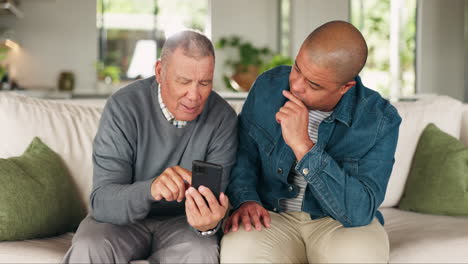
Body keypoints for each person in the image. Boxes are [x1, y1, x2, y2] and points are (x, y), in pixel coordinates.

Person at [221, 20, 401, 263]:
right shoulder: (267, 86)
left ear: (345, 87)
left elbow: (359, 211)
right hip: (273, 216)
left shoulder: (381, 120)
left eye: (313, 84)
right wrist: (246, 199)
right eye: (297, 68)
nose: (295, 86)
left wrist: (304, 147)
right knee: (240, 252)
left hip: (338, 224)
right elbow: (243, 154)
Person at [62, 30, 238, 263]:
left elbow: (215, 203)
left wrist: (209, 223)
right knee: (89, 246)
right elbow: (102, 202)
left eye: (204, 83)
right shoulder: (124, 106)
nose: (194, 95)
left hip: (183, 224)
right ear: (159, 71)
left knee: (202, 251)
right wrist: (151, 189)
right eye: (184, 81)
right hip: (119, 222)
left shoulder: (222, 117)